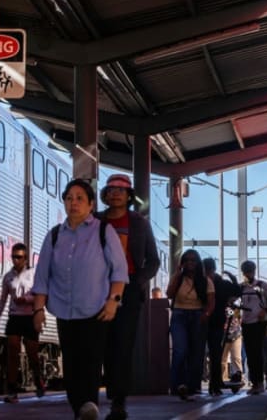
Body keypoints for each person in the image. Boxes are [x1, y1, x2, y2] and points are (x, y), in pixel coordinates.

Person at [32, 179, 128, 420]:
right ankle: (80, 409)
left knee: (91, 361)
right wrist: (38, 310)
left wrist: (113, 301)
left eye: (79, 198)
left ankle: (89, 405)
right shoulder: (54, 236)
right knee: (71, 364)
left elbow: (119, 271)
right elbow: (42, 276)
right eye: (69, 198)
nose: (73, 203)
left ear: (91, 204)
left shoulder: (104, 231)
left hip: (96, 309)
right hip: (64, 310)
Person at [97, 174, 161, 420]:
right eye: (111, 190)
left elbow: (153, 260)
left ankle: (118, 399)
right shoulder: (96, 220)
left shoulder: (139, 223)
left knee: (123, 344)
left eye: (120, 191)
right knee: (103, 344)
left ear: (129, 196)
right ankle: (109, 391)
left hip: (129, 289)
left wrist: (139, 281)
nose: (115, 194)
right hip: (98, 288)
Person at [0, 243, 44, 403]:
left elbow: (39, 295)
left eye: (19, 257)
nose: (16, 260)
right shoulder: (8, 277)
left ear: (25, 258)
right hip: (14, 317)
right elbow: (3, 299)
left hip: (29, 317)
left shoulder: (33, 274)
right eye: (14, 257)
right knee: (12, 351)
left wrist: (26, 299)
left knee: (32, 352)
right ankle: (11, 389)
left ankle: (38, 379)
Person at [165, 249, 214, 401]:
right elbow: (169, 294)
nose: (190, 263)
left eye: (193, 260)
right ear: (183, 263)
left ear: (198, 263)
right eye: (187, 260)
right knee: (180, 350)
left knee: (196, 353)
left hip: (197, 316)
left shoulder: (205, 280)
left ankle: (192, 386)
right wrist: (177, 273)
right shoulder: (179, 278)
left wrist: (205, 315)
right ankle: (175, 385)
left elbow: (211, 302)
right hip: (179, 315)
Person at [203, 259, 240, 396]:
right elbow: (237, 292)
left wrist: (233, 279)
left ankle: (214, 384)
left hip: (209, 322)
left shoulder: (204, 281)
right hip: (216, 321)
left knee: (214, 354)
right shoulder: (221, 283)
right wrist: (234, 279)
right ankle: (215, 384)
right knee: (215, 354)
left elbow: (237, 292)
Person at [238, 260, 267, 395]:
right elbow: (234, 299)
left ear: (254, 271)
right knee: (250, 354)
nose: (248, 274)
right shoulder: (241, 287)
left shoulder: (262, 285)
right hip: (246, 324)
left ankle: (259, 383)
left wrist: (264, 310)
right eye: (246, 272)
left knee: (257, 353)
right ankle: (255, 383)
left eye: (250, 271)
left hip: (259, 324)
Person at [220, 306, 243, 385]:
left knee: (236, 357)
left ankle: (238, 376)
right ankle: (223, 378)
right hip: (224, 335)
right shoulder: (222, 303)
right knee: (222, 359)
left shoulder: (237, 304)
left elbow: (241, 318)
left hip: (236, 334)